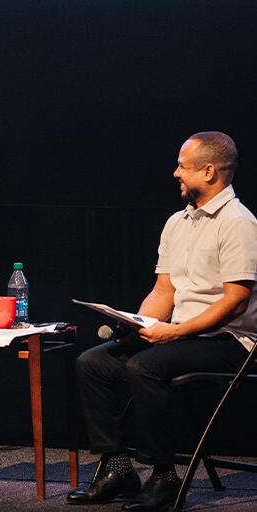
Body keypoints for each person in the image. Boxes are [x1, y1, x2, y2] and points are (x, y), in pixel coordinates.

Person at [67, 131, 257, 511]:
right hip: (183, 336)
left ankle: (164, 476)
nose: (175, 174)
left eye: (182, 167)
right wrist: (139, 323)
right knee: (96, 362)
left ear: (208, 171)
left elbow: (236, 303)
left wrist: (174, 333)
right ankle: (118, 468)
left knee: (144, 367)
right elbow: (164, 292)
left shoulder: (238, 223)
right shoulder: (178, 222)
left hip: (231, 343)